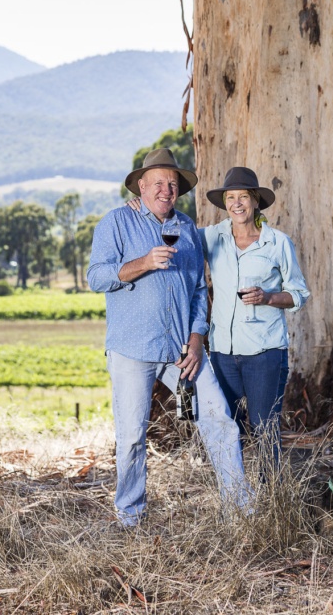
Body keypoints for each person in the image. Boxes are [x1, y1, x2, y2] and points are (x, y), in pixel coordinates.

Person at [87, 147, 251, 528]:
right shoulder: (116, 223)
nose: (166, 189)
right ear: (141, 186)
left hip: (182, 351)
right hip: (133, 349)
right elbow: (96, 277)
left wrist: (197, 338)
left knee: (219, 419)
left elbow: (197, 289)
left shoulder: (188, 229)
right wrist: (144, 262)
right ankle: (130, 517)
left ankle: (240, 511)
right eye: (157, 182)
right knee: (130, 437)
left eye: (172, 184)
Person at [203, 167, 310, 469]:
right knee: (226, 429)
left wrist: (268, 297)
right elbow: (178, 236)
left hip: (265, 353)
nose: (237, 204)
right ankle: (235, 498)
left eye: (244, 197)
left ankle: (271, 500)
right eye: (231, 197)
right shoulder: (213, 237)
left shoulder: (277, 243)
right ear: (225, 202)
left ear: (255, 202)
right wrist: (141, 207)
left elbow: (298, 293)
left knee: (265, 429)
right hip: (223, 352)